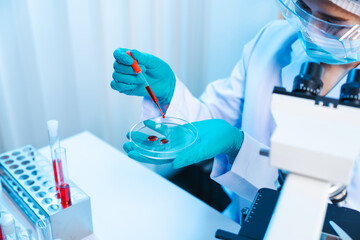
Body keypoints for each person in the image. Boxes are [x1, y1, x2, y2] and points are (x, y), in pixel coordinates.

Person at [111, 0, 360, 222]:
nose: (312, 33)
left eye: (332, 22)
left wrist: (239, 148)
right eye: (304, 9)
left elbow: (345, 216)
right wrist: (170, 94)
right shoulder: (274, 40)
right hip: (239, 217)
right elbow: (209, 125)